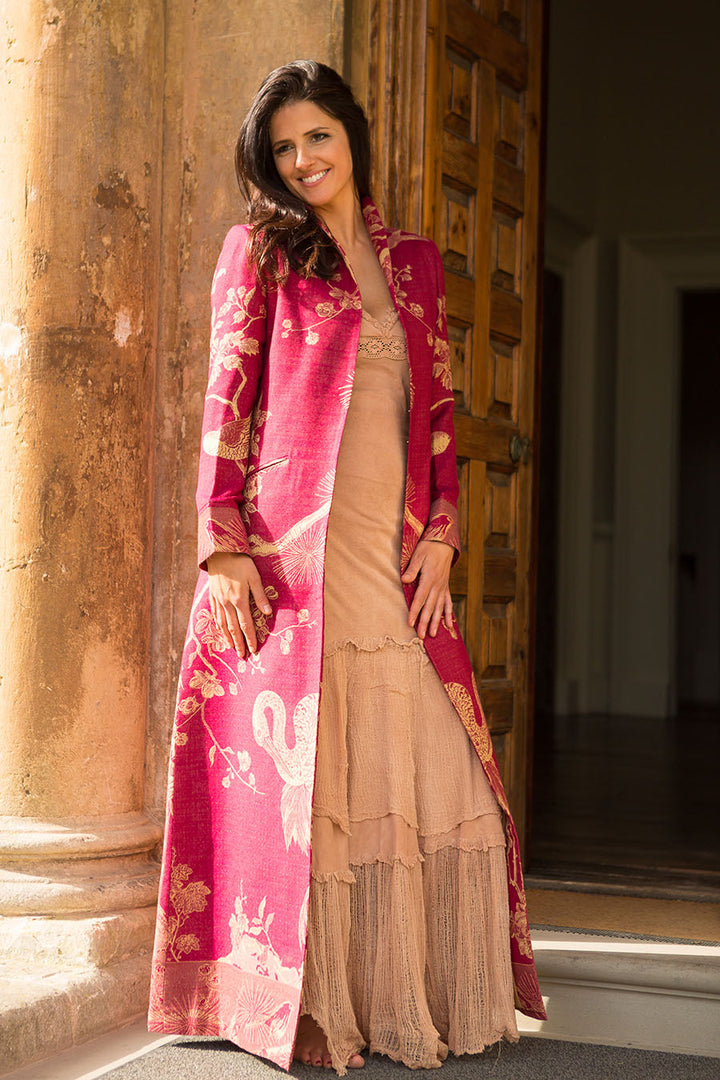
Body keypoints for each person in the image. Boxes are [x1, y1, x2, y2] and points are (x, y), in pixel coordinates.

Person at [148, 59, 545, 1075]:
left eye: (317, 137)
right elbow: (224, 400)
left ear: (354, 138)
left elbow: (445, 416)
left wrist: (447, 531)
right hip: (291, 560)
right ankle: (319, 1009)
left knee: (432, 770)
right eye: (283, 148)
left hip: (395, 549)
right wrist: (222, 545)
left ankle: (415, 997)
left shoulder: (415, 263)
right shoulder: (262, 255)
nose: (302, 160)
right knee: (321, 782)